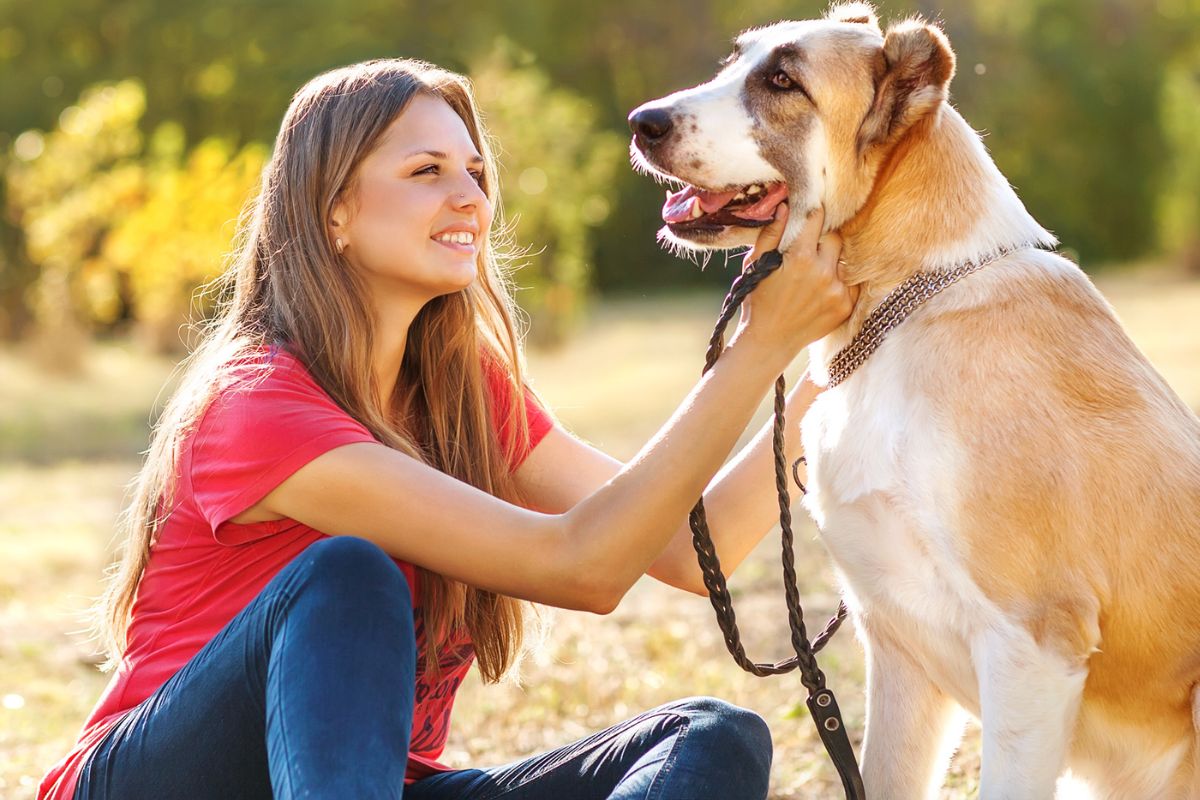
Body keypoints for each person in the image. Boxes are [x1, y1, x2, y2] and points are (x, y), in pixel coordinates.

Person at [38, 58, 853, 800]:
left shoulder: (461, 396)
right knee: (346, 579)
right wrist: (760, 346)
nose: (470, 196)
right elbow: (584, 567)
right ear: (333, 214)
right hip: (151, 785)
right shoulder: (258, 406)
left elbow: (686, 545)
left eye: (474, 171)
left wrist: (834, 358)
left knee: (710, 739)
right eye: (426, 171)